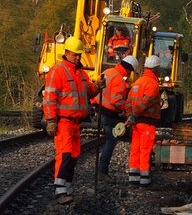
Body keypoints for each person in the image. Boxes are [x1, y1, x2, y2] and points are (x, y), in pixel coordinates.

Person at [43, 36, 103, 204]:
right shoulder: (58, 71)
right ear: (67, 53)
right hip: (63, 121)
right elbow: (49, 98)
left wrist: (97, 87)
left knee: (74, 155)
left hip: (76, 123)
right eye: (75, 54)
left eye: (79, 54)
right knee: (65, 154)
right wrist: (51, 120)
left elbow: (88, 92)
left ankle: (67, 188)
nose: (78, 57)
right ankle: (60, 190)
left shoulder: (81, 73)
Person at [91, 55, 139, 184]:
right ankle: (102, 170)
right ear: (128, 70)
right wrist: (125, 111)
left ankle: (101, 169)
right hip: (108, 113)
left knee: (108, 139)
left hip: (99, 109)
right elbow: (116, 101)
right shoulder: (119, 79)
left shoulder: (108, 72)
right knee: (111, 140)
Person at [126, 55, 161, 187]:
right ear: (156, 68)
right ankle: (144, 179)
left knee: (135, 149)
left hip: (136, 123)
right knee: (145, 150)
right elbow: (146, 102)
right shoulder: (152, 84)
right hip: (147, 122)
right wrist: (134, 115)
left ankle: (133, 177)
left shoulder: (137, 82)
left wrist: (130, 116)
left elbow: (128, 101)